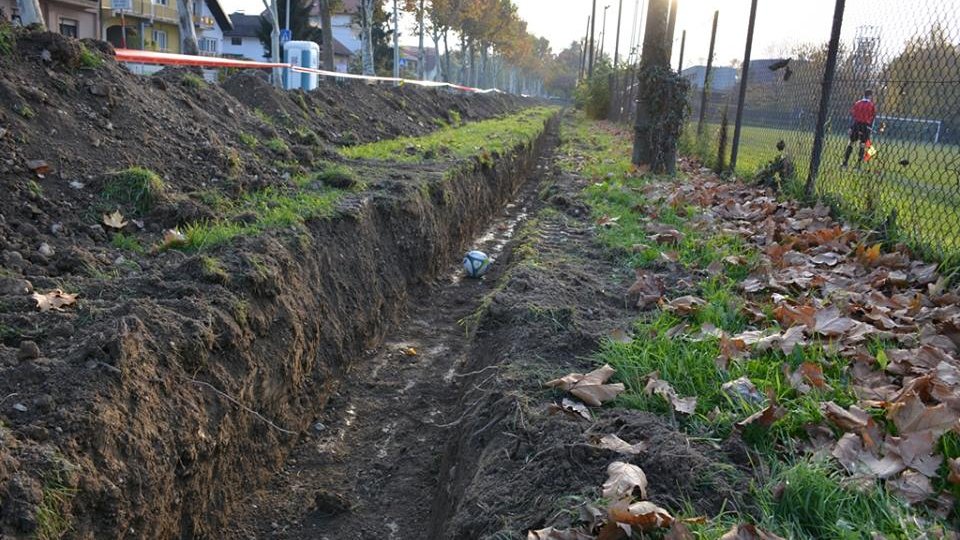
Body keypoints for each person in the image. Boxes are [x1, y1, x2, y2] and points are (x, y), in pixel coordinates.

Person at [842, 89, 876, 169]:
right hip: (865, 126)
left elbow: (853, 116)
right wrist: (871, 128)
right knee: (862, 145)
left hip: (856, 125)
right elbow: (873, 117)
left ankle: (845, 163)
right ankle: (858, 165)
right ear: (870, 95)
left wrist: (851, 127)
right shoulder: (871, 105)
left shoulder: (857, 103)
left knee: (850, 143)